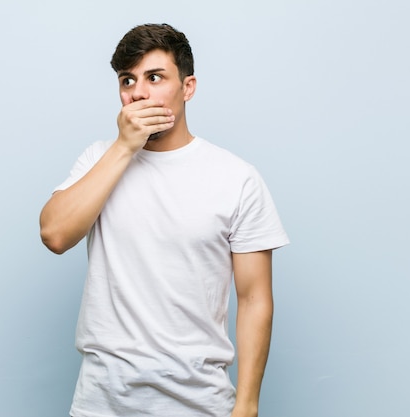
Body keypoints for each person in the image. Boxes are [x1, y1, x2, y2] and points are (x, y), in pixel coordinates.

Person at [40, 23, 289, 417]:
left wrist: (247, 404)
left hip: (201, 403)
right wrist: (124, 146)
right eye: (128, 80)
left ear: (187, 88)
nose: (138, 92)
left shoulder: (237, 178)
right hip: (102, 402)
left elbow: (255, 298)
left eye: (155, 77)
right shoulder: (98, 159)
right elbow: (54, 234)